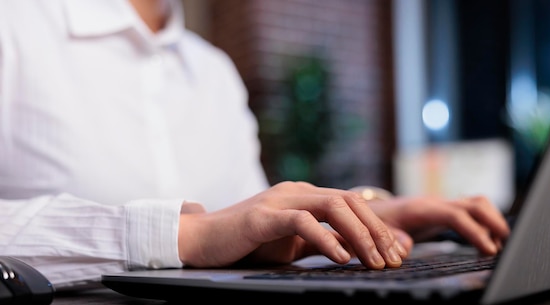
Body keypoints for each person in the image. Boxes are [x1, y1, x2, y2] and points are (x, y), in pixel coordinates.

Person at [0, 0, 509, 288]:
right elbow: (210, 234)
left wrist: (364, 215)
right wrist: (187, 236)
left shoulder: (213, 70)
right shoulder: (14, 27)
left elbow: (251, 228)